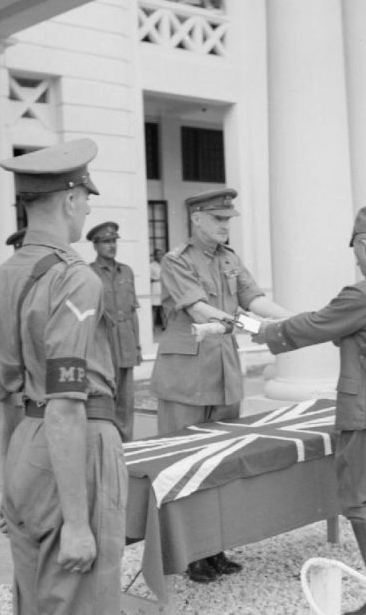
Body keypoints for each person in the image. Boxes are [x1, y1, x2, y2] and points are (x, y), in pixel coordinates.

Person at [254, 206, 366, 615]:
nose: (356, 260)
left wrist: (258, 330)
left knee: (357, 502)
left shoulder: (364, 293)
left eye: (357, 252)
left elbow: (314, 325)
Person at [0, 139, 127, 615]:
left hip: (24, 443)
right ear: (69, 199)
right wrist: (78, 522)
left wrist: (6, 484)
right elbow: (66, 403)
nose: (86, 209)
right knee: (82, 599)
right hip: (75, 447)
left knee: (35, 596)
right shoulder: (75, 277)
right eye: (85, 198)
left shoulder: (6, 274)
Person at [150, 187, 291, 583]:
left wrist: (296, 321)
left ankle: (215, 548)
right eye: (218, 219)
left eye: (228, 219)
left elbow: (254, 298)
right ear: (196, 218)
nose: (226, 225)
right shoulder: (176, 261)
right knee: (184, 464)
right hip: (186, 378)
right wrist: (251, 326)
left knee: (221, 462)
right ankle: (190, 554)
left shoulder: (230, 259)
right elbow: (199, 309)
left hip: (224, 372)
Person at [87, 221, 141, 442]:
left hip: (126, 344)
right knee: (105, 399)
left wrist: (137, 345)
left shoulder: (126, 271)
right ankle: (109, 446)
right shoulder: (88, 274)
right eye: (106, 242)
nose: (111, 246)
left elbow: (133, 311)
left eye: (113, 241)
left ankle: (127, 447)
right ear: (96, 246)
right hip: (103, 347)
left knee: (126, 403)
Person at [150, 248, 165, 331]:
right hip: (155, 287)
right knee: (155, 308)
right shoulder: (151, 265)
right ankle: (152, 326)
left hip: (163, 287)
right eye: (158, 254)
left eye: (161, 254)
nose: (159, 256)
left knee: (163, 307)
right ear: (155, 255)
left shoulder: (165, 264)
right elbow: (148, 278)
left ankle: (165, 325)